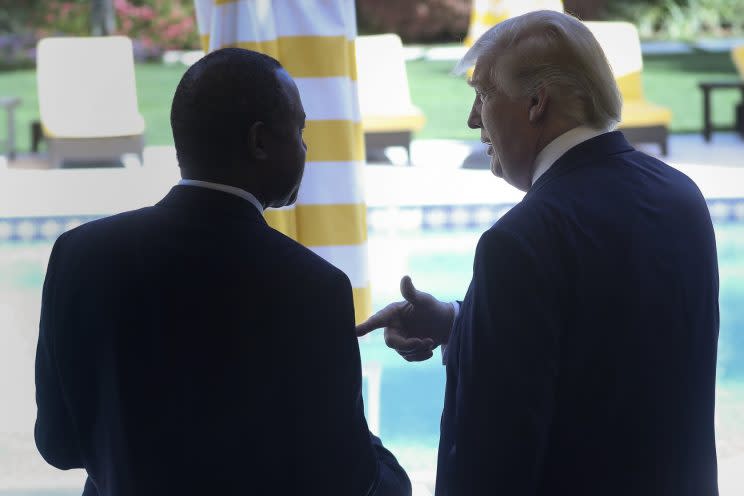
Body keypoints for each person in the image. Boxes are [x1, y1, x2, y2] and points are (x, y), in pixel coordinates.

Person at [357, 10, 719, 496]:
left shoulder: (521, 240)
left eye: (482, 95)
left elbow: (491, 456)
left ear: (535, 103)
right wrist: (463, 322)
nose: (471, 119)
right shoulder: (683, 199)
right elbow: (609, 343)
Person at [35, 48, 411, 496]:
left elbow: (59, 446)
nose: (306, 147)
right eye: (299, 130)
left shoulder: (79, 254)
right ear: (260, 142)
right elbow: (346, 479)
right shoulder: (312, 288)